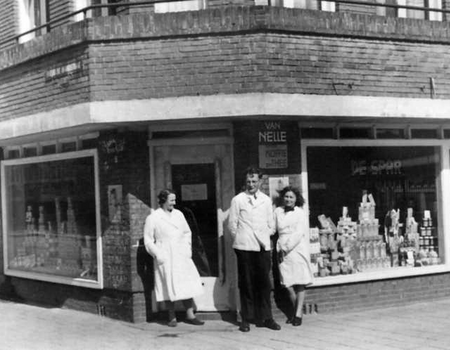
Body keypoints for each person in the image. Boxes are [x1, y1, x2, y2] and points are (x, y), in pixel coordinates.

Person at [228, 167, 280, 332]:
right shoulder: (238, 200)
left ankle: (267, 318)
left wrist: (263, 235)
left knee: (264, 284)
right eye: (248, 181)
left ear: (260, 181)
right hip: (244, 248)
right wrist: (243, 238)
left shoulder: (266, 200)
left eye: (254, 181)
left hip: (262, 248)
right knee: (246, 284)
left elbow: (271, 225)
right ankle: (245, 319)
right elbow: (232, 225)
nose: (251, 184)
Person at [143, 189, 205, 327]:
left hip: (181, 254)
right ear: (163, 201)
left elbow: (187, 233)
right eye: (171, 200)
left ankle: (190, 315)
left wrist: (187, 250)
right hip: (165, 255)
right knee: (167, 286)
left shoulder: (179, 215)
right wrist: (158, 254)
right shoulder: (153, 218)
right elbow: (148, 240)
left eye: (174, 200)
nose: (174, 203)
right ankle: (171, 317)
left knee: (187, 284)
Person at [274, 186, 314, 326]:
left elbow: (299, 233)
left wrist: (286, 248)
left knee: (300, 281)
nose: (288, 199)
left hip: (297, 248)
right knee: (287, 283)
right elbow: (273, 228)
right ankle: (296, 309)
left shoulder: (300, 213)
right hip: (282, 249)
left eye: (291, 197)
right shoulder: (278, 212)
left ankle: (297, 313)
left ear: (296, 199)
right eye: (286, 196)